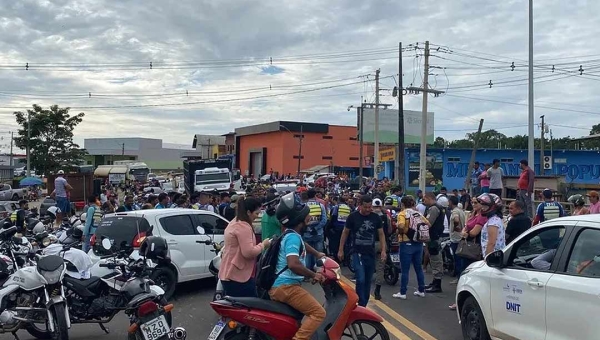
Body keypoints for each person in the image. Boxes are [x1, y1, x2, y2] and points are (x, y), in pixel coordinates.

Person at [269, 192, 326, 340]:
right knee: (318, 313)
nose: (309, 217)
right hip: (287, 287)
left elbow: (303, 245)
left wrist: (318, 253)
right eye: (307, 214)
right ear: (299, 219)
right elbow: (293, 264)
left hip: (283, 286)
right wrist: (314, 275)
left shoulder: (290, 234)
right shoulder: (293, 237)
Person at [338, 195, 387, 307]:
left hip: (370, 253)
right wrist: (341, 249)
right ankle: (359, 302)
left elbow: (381, 234)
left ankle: (363, 304)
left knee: (368, 280)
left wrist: (383, 250)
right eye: (365, 207)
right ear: (360, 206)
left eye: (370, 207)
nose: (368, 209)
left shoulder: (376, 218)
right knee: (360, 279)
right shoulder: (352, 217)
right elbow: (345, 232)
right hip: (357, 252)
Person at [219, 197, 271, 297]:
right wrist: (263, 245)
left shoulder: (235, 222)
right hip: (237, 276)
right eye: (256, 213)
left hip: (229, 274)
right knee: (251, 307)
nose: (257, 216)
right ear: (248, 212)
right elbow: (248, 252)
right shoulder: (243, 227)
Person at [393, 195, 427, 300]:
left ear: (402, 204)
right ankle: (421, 290)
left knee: (405, 270)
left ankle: (403, 292)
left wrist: (400, 229)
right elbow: (427, 223)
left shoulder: (402, 214)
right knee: (418, 268)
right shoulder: (418, 213)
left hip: (406, 242)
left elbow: (402, 226)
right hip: (419, 243)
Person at [422, 192, 447, 293]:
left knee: (436, 260)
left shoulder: (434, 208)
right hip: (434, 237)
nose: (424, 202)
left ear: (429, 198)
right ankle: (434, 282)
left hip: (434, 237)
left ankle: (437, 284)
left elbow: (428, 223)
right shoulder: (438, 207)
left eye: (425, 199)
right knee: (433, 259)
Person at [371, 198, 392, 300]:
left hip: (370, 244)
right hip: (383, 244)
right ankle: (377, 291)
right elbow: (390, 230)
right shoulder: (385, 217)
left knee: (368, 265)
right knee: (380, 268)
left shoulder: (369, 217)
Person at [303, 189, 327, 272]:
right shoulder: (321, 206)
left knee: (307, 254)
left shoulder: (304, 206)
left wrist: (309, 228)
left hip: (306, 234)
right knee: (319, 253)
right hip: (318, 233)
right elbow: (324, 220)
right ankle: (319, 272)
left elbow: (302, 220)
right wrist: (316, 228)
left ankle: (307, 272)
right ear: (315, 195)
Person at [448, 195, 465, 284]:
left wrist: (455, 227)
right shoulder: (461, 211)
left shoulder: (454, 211)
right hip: (461, 237)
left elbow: (456, 220)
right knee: (460, 259)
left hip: (456, 238)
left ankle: (459, 278)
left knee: (457, 259)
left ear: (451, 202)